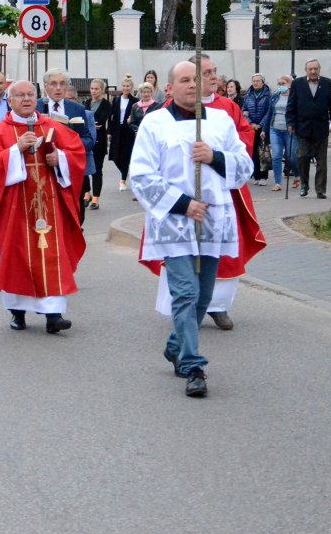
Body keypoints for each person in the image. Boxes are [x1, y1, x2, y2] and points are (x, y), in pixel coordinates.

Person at [131, 60, 255, 397]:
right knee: (184, 292)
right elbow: (140, 176)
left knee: (202, 295)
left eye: (195, 79)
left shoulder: (220, 121)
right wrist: (184, 204)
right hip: (173, 220)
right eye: (183, 80)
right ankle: (192, 365)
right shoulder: (155, 123)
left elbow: (244, 167)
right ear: (169, 87)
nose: (191, 85)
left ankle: (176, 346)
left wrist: (214, 156)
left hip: (213, 219)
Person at [0, 79, 87, 334]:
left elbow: (77, 152)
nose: (26, 99)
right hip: (14, 209)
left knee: (52, 255)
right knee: (16, 258)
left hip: (49, 207)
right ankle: (18, 312)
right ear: (10, 100)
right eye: (20, 95)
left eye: (30, 95)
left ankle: (53, 315)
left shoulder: (51, 126)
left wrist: (61, 159)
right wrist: (15, 150)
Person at [37, 68, 95, 225]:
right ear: (45, 86)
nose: (58, 88)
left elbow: (88, 140)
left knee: (76, 217)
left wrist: (68, 149)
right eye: (53, 84)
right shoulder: (35, 107)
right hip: (43, 170)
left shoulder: (77, 108)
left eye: (62, 84)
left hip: (70, 169)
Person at [286, 58, 331, 198]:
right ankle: (304, 184)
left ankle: (320, 190)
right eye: (310, 69)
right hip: (303, 128)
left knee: (321, 162)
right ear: (306, 70)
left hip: (321, 128)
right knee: (302, 158)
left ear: (319, 69)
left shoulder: (327, 83)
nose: (313, 71)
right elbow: (291, 105)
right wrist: (290, 123)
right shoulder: (297, 83)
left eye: (315, 68)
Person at [262, 74, 298, 191]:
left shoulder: (295, 97)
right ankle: (278, 182)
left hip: (290, 131)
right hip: (275, 129)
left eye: (283, 84)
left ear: (290, 84)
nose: (281, 86)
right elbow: (269, 113)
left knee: (291, 156)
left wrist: (294, 125)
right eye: (279, 84)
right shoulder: (275, 97)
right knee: (276, 156)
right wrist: (264, 129)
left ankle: (297, 175)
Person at [85, 78, 112, 210]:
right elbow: (83, 120)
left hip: (99, 141)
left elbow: (100, 122)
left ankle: (95, 198)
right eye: (92, 88)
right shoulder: (87, 102)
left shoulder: (106, 104)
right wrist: (90, 124)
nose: (94, 91)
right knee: (85, 168)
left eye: (96, 89)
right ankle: (86, 193)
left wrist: (90, 123)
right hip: (87, 139)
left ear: (102, 90)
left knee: (96, 169)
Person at [108, 73, 138, 191]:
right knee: (115, 157)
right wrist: (109, 132)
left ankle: (123, 180)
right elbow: (112, 116)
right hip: (116, 129)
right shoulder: (116, 100)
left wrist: (132, 121)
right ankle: (125, 172)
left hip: (128, 130)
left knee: (125, 156)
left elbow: (137, 115)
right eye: (124, 86)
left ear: (131, 88)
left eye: (128, 86)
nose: (126, 88)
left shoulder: (135, 101)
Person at [242, 73, 271, 185]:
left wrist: (261, 124)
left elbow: (269, 111)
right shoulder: (248, 95)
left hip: (263, 127)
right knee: (253, 152)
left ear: (263, 82)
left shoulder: (268, 95)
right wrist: (250, 123)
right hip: (251, 127)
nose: (255, 83)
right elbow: (244, 111)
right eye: (254, 80)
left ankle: (264, 176)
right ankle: (256, 175)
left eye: (258, 80)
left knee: (263, 152)